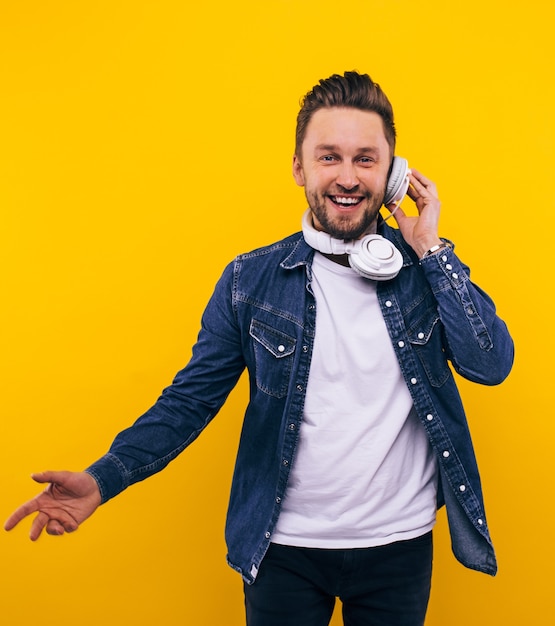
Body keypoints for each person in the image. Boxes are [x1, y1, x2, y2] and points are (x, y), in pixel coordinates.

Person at [5, 71, 514, 626]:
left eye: (366, 159)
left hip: (399, 544)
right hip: (283, 549)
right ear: (300, 167)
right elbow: (189, 401)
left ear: (393, 174)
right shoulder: (250, 281)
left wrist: (433, 250)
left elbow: (490, 365)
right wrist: (103, 479)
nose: (347, 177)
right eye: (329, 157)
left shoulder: (423, 271)